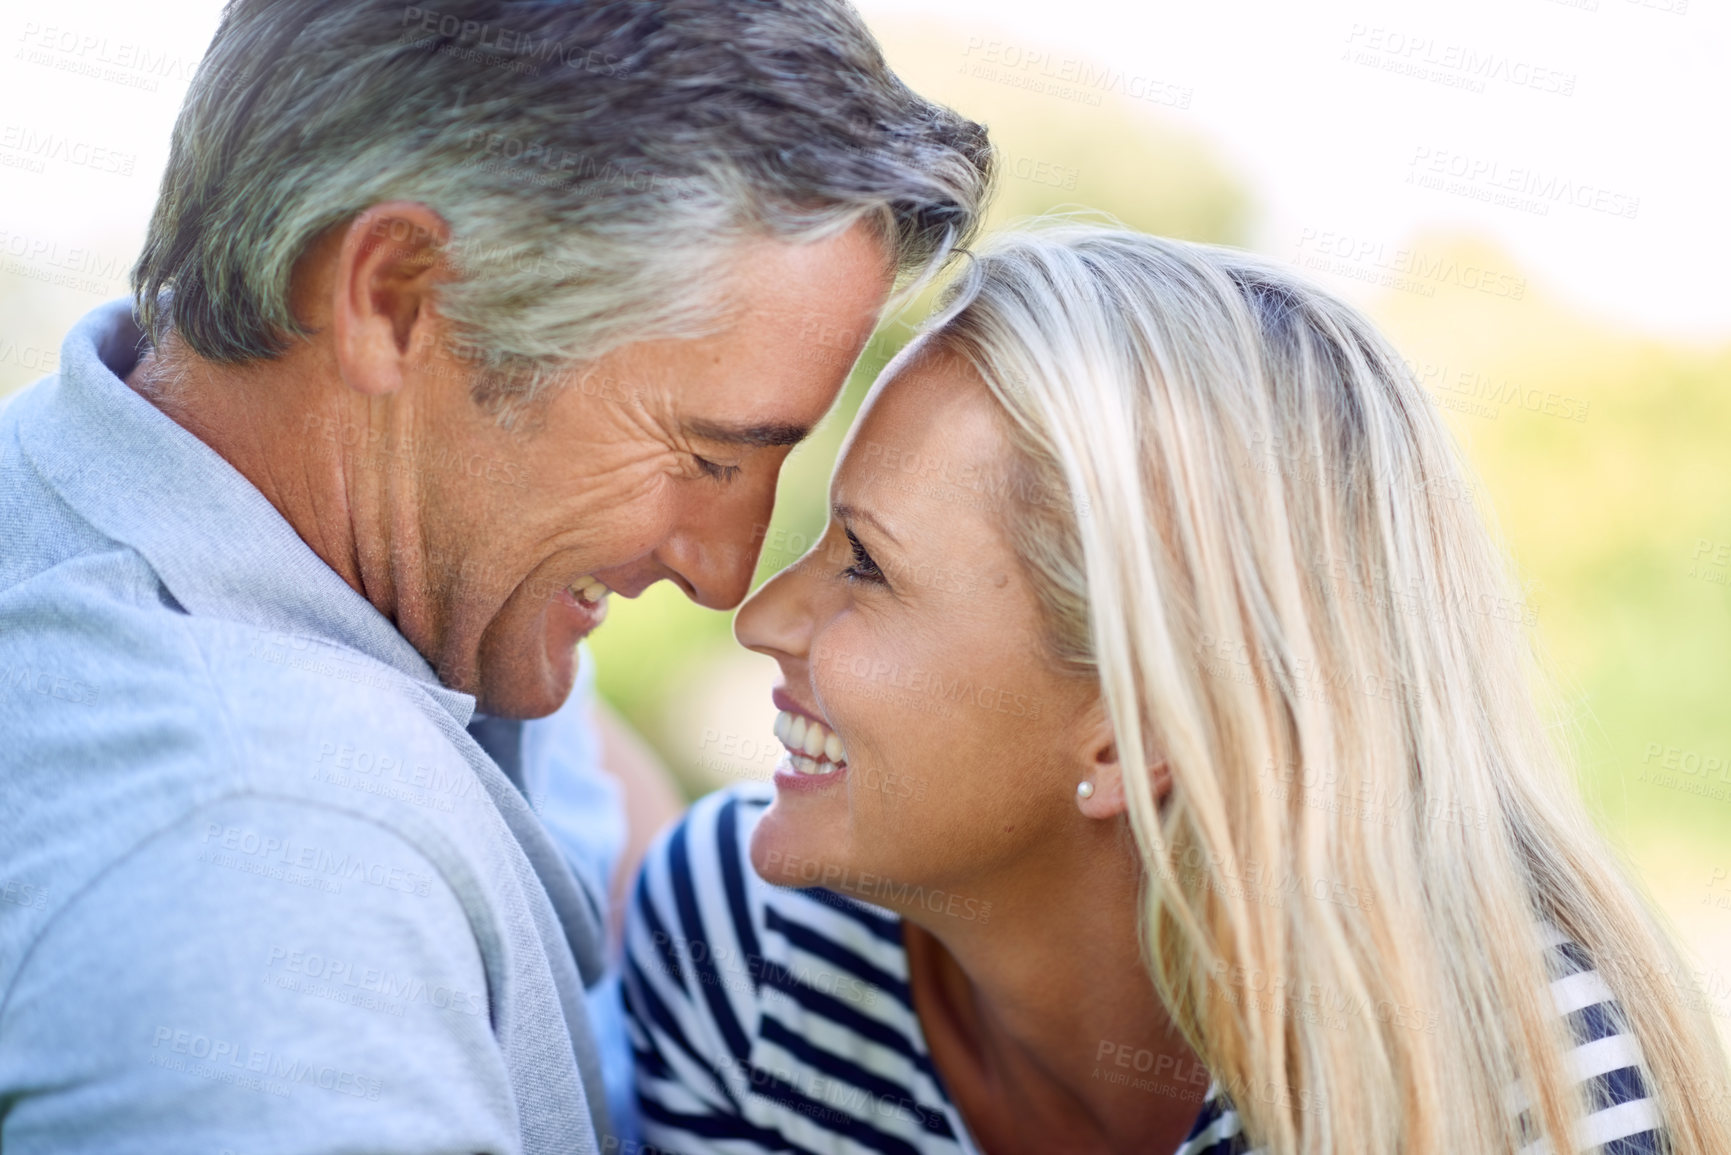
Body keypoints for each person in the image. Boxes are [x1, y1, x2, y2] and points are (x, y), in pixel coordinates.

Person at [0, 1, 992, 1151]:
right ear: (396, 298)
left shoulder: (338, 559)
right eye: (706, 454)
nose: (726, 578)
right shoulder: (271, 864)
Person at [623, 226, 1731, 1154]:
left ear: (1129, 733)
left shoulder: (1514, 1093)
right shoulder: (748, 944)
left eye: (865, 562)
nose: (760, 615)